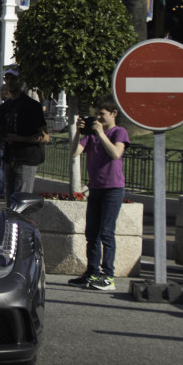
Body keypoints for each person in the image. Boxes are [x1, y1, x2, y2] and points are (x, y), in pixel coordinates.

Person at [69, 96, 129, 291]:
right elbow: (74, 152)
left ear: (114, 114)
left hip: (113, 189)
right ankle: (92, 272)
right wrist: (79, 132)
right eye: (97, 115)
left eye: (102, 115)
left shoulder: (119, 132)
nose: (99, 119)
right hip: (95, 188)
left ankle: (108, 276)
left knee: (106, 232)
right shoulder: (91, 134)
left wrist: (101, 133)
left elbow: (115, 154)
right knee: (91, 232)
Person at [0, 70, 48, 201]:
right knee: (9, 201)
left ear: (20, 81)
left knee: (22, 201)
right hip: (9, 158)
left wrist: (20, 138)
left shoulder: (32, 106)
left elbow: (45, 136)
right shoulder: (5, 107)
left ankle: (21, 222)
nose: (9, 82)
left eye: (13, 79)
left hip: (26, 159)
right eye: (6, 79)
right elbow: (0, 130)